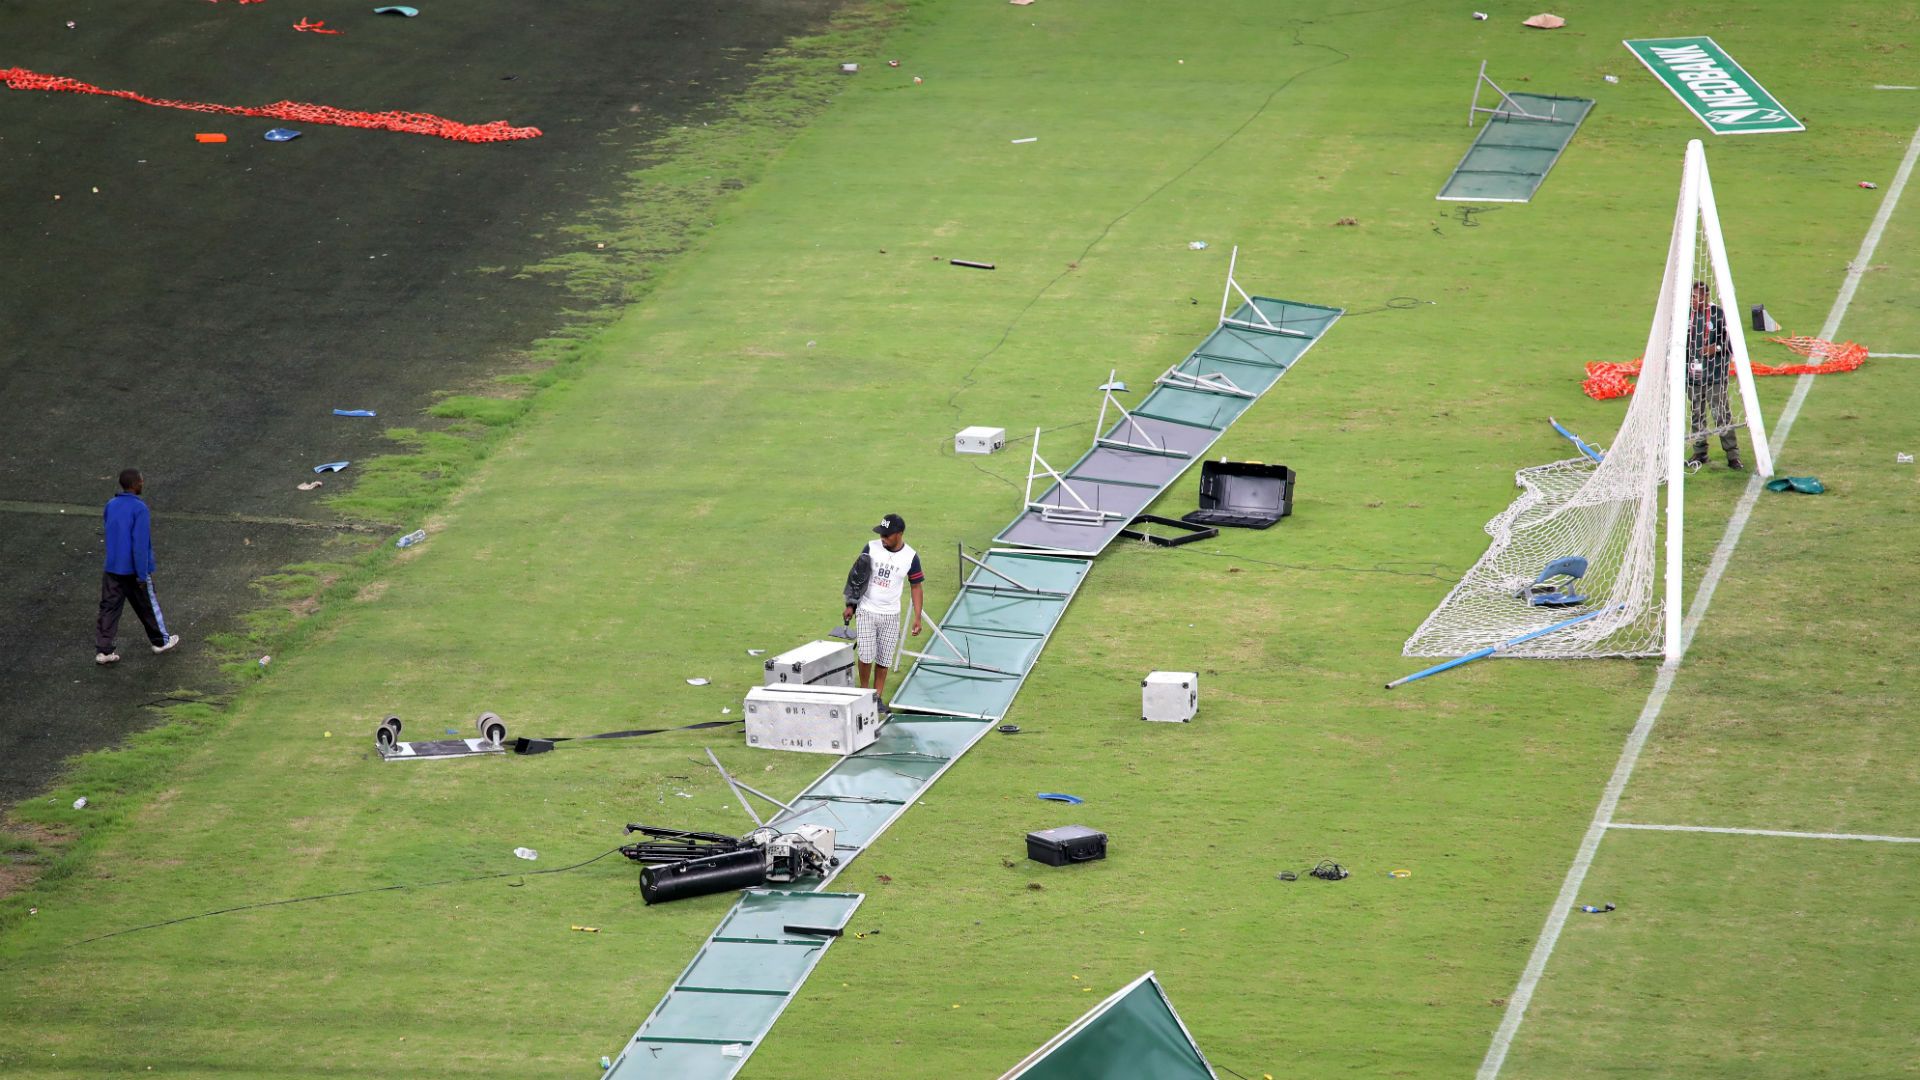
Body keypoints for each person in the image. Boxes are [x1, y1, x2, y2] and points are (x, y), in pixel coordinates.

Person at [96, 468, 180, 665]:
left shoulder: (111, 505)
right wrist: (142, 574)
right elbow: (140, 544)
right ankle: (160, 641)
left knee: (109, 608)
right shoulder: (140, 509)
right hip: (133, 570)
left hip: (112, 568)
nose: (143, 483)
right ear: (134, 484)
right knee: (148, 606)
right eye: (141, 481)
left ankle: (104, 651)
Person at [840, 513, 924, 705]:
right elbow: (857, 576)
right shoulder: (871, 547)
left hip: (891, 616)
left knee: (884, 660)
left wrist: (917, 617)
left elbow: (916, 586)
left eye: (887, 535)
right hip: (866, 611)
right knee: (866, 656)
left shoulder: (910, 557)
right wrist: (850, 605)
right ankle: (864, 694)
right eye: (881, 534)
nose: (883, 538)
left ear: (899, 534)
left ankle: (876, 697)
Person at [1685, 280, 1743, 470]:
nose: (1693, 300)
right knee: (1697, 414)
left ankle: (1732, 455)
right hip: (1693, 375)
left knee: (1721, 415)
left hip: (1715, 376)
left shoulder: (1719, 315)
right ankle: (1700, 452)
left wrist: (1716, 348)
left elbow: (1734, 344)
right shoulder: (1685, 315)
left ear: (1706, 297)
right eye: (1691, 297)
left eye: (1696, 297)